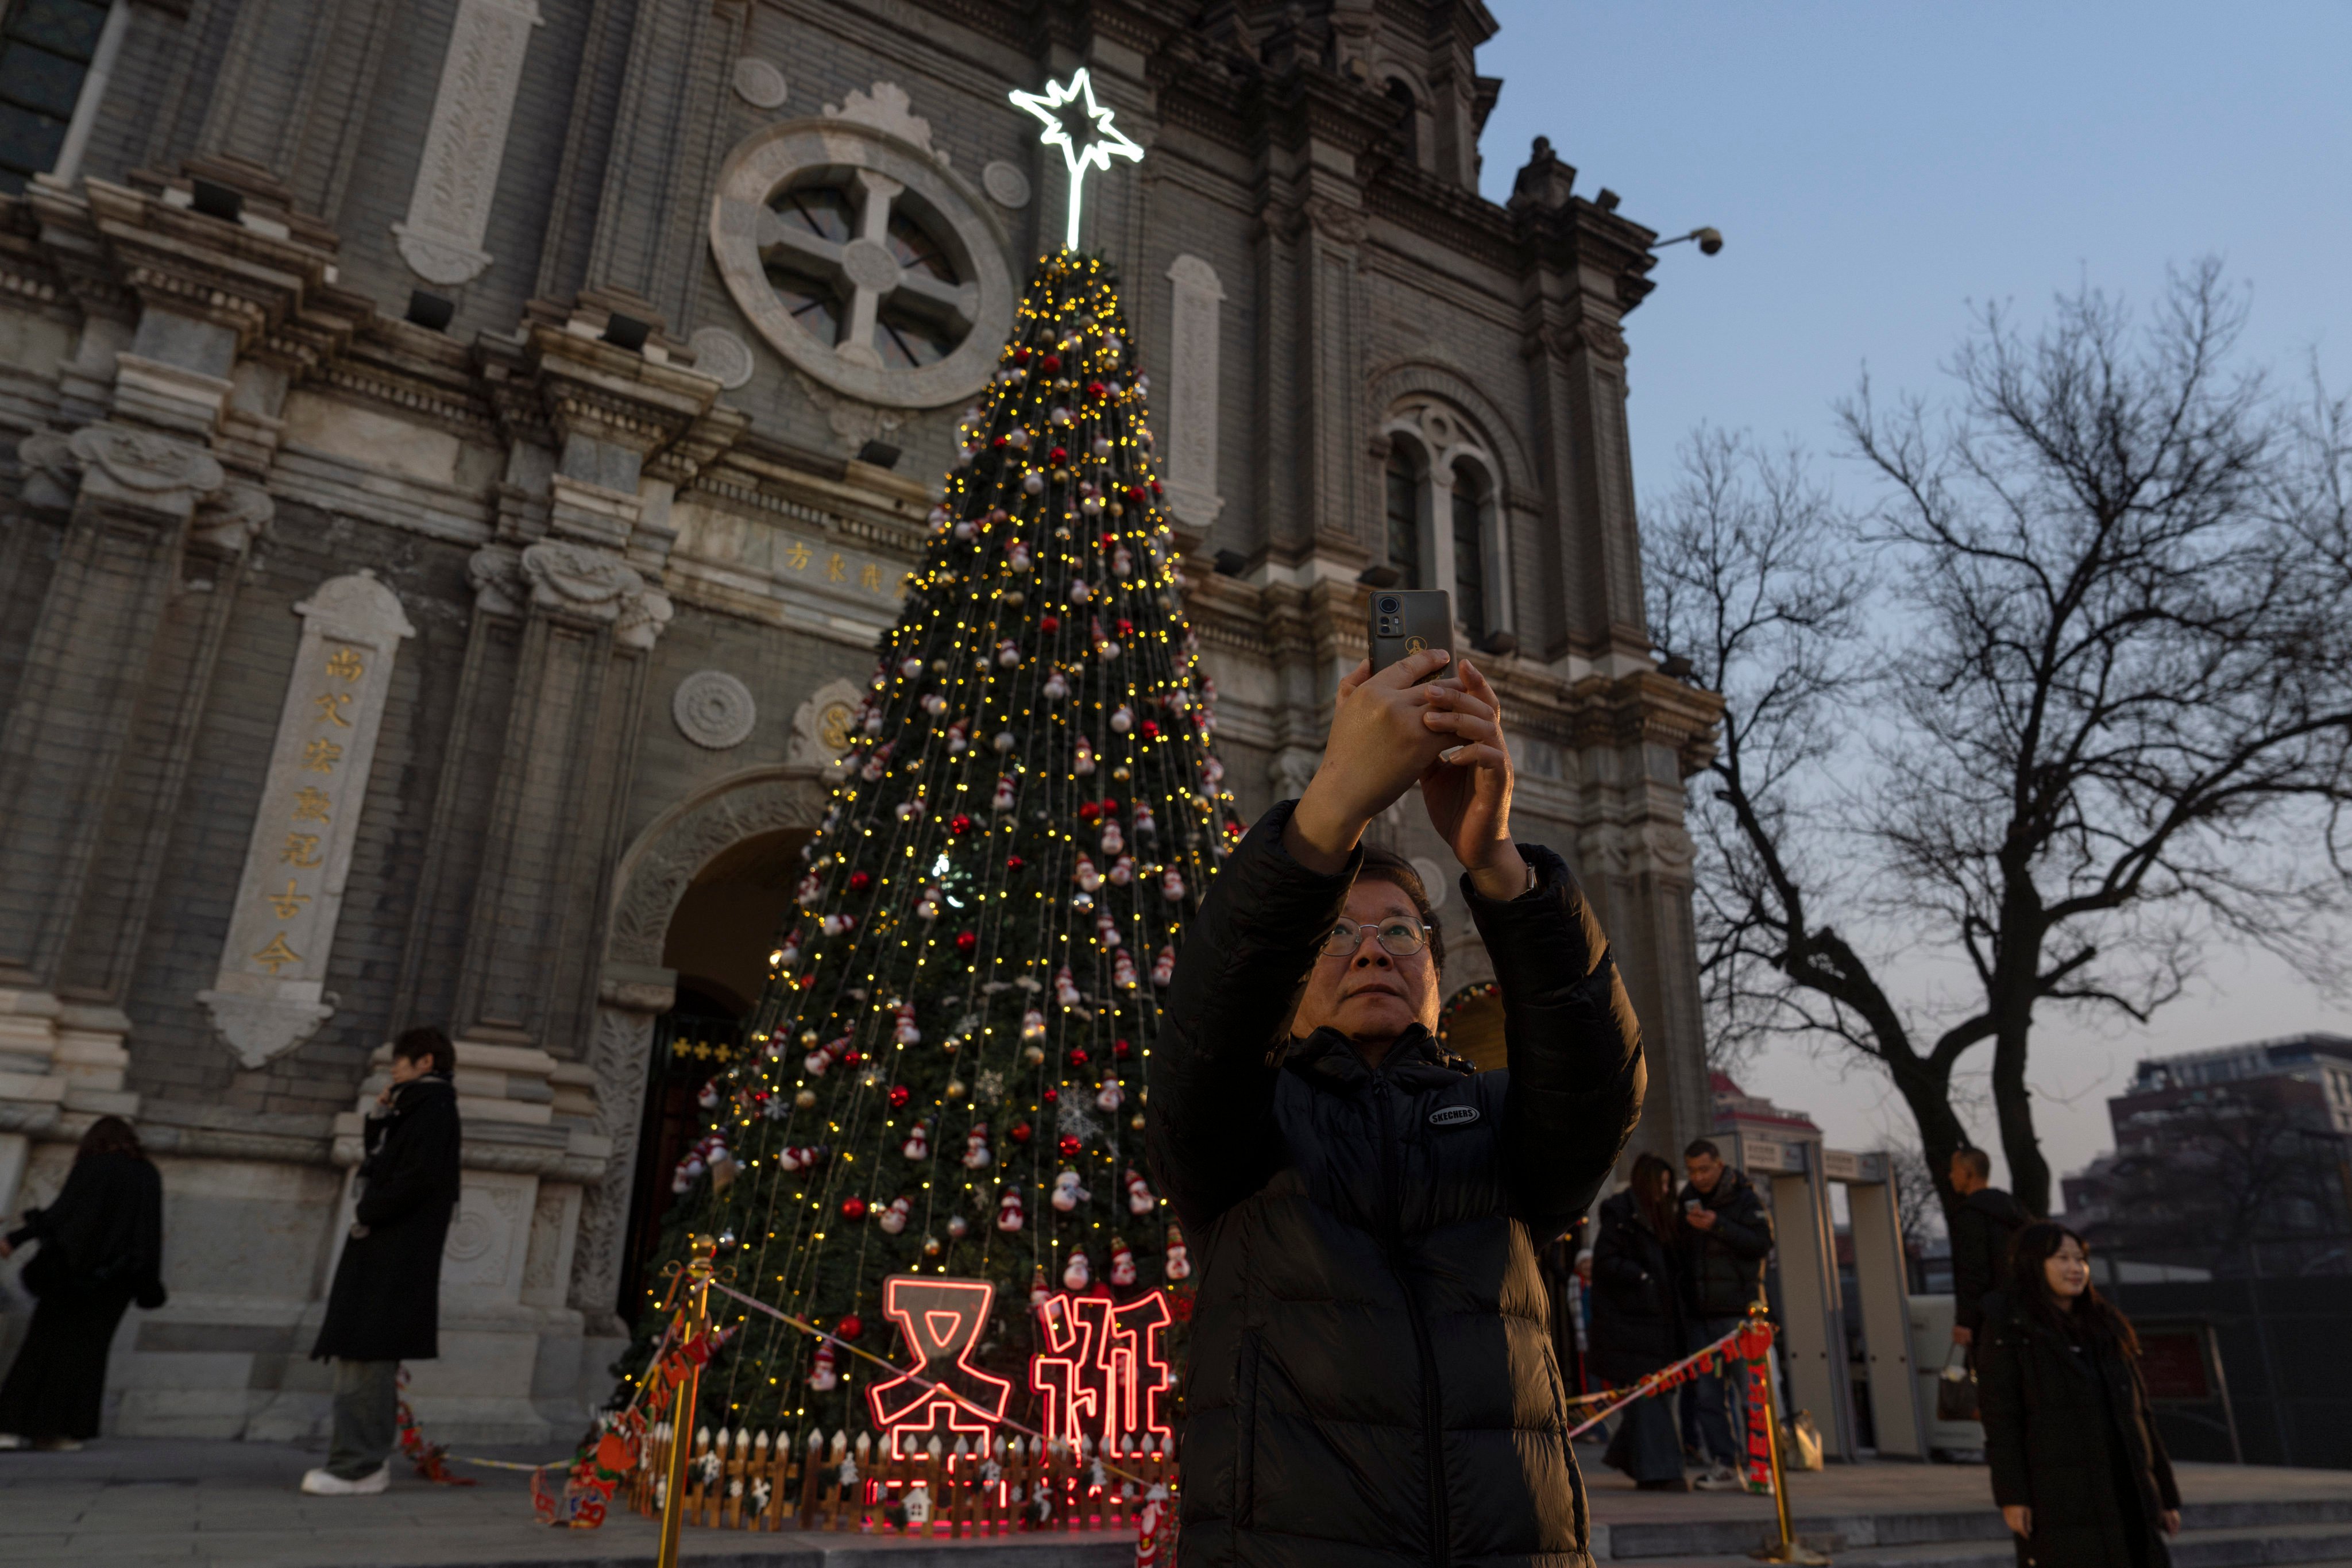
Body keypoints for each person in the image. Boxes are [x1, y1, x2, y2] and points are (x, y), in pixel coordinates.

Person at [1148, 648, 1644, 1565]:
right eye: (1336, 933)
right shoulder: (1248, 1128)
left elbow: (1597, 1094)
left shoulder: (1498, 1124)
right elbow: (1201, 1046)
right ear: (1289, 983)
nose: (1371, 952)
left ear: (1434, 973)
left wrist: (1494, 859)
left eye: (1398, 933)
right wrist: (1326, 812)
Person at [302, 1026, 463, 1496]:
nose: (393, 1068)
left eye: (401, 1060)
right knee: (360, 1354)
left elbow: (415, 1177)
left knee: (367, 1356)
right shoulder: (414, 1108)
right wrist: (380, 1114)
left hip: (395, 1251)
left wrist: (370, 1211)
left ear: (426, 1062)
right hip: (387, 1249)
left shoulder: (432, 1109)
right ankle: (356, 1461)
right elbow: (383, 1159)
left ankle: (359, 1466)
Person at [1980, 1223, 2180, 1567]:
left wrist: (2164, 1493)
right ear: (2033, 1264)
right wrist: (2013, 1497)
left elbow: (2140, 1416)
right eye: (2062, 1259)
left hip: (2126, 1487)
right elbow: (2002, 1420)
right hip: (2060, 1496)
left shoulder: (2106, 1327)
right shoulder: (2011, 1330)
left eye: (2080, 1259)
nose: (2076, 1269)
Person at [0, 1116, 166, 1449]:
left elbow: (63, 1215)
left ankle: (11, 1427)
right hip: (115, 1284)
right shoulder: (147, 1174)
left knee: (42, 1349)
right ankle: (60, 1432)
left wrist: (17, 1239)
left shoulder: (94, 1167)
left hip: (72, 1278)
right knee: (87, 1358)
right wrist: (146, 1282)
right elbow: (149, 1234)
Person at [1590, 1153, 1691, 1490]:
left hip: (1656, 1325)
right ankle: (1659, 1471)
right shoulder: (1622, 1214)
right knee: (1651, 1396)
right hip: (1633, 1326)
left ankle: (1639, 1461)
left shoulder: (1661, 1218)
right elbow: (1606, 1263)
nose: (1665, 1190)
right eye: (1660, 1183)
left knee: (1652, 1396)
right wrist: (1643, 1279)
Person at [1678, 1137, 1772, 1490]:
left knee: (1753, 1393)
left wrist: (1717, 1224)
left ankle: (1763, 1469)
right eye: (1692, 1171)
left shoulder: (1745, 1197)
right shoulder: (1686, 1200)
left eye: (1704, 1169)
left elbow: (1763, 1243)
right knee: (1708, 1397)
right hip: (1701, 1315)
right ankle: (1725, 1464)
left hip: (1740, 1315)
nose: (1699, 1177)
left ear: (1719, 1165)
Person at [1949, 1146, 2030, 1356]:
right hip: (2025, 1310)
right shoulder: (2016, 1211)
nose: (1951, 1176)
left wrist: (1966, 1321)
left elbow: (1972, 1270)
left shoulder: (1971, 1215)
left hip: (1990, 1319)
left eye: (1954, 1170)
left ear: (1968, 1173)